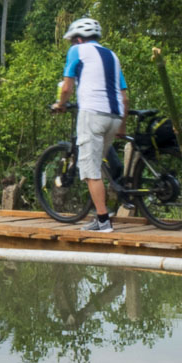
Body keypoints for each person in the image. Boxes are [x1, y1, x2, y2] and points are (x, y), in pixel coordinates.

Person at [49, 17, 129, 233]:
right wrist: (122, 128)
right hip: (114, 116)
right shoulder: (112, 56)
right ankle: (103, 211)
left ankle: (103, 221)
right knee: (96, 163)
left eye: (72, 41)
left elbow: (66, 88)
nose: (71, 45)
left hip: (92, 114)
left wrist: (60, 104)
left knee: (90, 169)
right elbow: (124, 97)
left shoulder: (77, 51)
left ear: (78, 39)